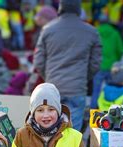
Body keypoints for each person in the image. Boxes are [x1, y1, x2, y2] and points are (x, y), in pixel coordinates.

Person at [33, 0, 101, 131]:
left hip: (53, 85)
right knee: (72, 131)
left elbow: (38, 61)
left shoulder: (48, 30)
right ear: (78, 10)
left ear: (60, 9)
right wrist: (83, 77)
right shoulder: (91, 32)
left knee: (50, 128)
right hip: (77, 87)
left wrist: (49, 77)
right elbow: (95, 63)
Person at [8, 83, 87, 147]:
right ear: (33, 113)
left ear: (58, 111)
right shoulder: (22, 135)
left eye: (51, 109)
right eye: (40, 110)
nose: (46, 115)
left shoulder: (75, 137)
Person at [90, 15, 123, 110]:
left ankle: (93, 109)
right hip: (112, 67)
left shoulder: (95, 32)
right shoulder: (115, 33)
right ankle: (112, 108)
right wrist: (116, 61)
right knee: (112, 89)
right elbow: (120, 49)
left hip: (98, 66)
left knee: (96, 90)